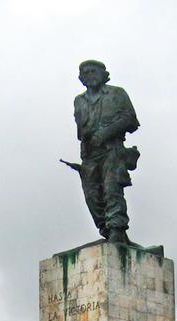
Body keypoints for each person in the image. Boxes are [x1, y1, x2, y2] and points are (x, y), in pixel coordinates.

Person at [72, 60, 140, 244]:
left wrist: (106, 133)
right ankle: (107, 230)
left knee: (112, 190)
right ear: (80, 78)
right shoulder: (79, 101)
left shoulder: (117, 93)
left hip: (112, 149)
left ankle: (117, 229)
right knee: (92, 196)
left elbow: (131, 120)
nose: (89, 74)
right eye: (85, 72)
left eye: (93, 71)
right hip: (89, 154)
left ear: (104, 74)